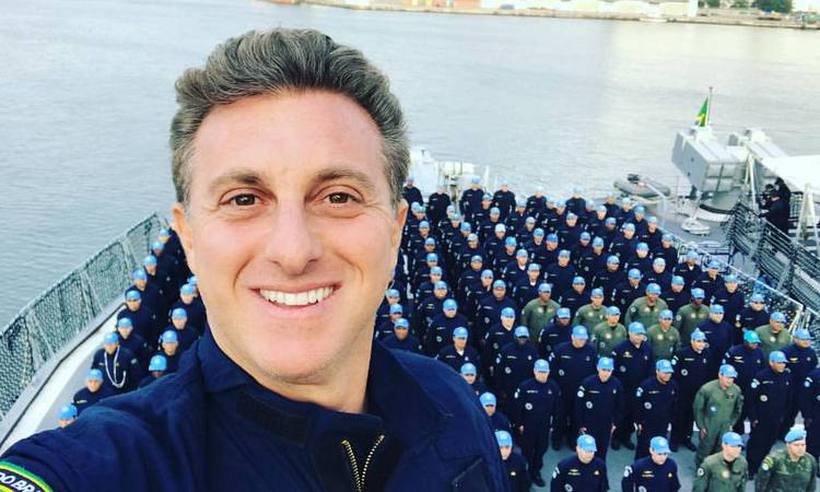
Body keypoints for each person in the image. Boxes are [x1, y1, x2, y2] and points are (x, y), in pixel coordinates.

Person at [1, 29, 508, 490]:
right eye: (244, 199)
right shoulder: (113, 467)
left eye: (339, 197)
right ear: (188, 238)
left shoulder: (453, 403)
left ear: (395, 231)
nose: (292, 252)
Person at [511, 359, 560, 487]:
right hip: (528, 426)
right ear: (534, 371)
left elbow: (557, 408)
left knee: (541, 449)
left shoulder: (553, 387)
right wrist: (519, 424)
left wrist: (554, 425)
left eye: (545, 372)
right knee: (527, 450)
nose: (542, 374)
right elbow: (517, 407)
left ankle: (536, 472)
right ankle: (525, 473)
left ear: (549, 372)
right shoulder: (525, 386)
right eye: (540, 372)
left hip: (544, 426)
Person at [548, 325, 597, 450]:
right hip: (563, 390)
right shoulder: (560, 349)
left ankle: (573, 440)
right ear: (572, 337)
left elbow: (594, 372)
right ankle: (556, 439)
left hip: (582, 392)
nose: (582, 341)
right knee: (560, 416)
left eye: (584, 339)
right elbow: (552, 370)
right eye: (579, 338)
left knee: (577, 417)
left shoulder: (591, 351)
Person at [747, 350, 794, 476]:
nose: (782, 365)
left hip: (776, 417)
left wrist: (785, 416)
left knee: (769, 442)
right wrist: (753, 417)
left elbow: (789, 398)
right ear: (771, 363)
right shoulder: (761, 376)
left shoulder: (787, 376)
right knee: (756, 443)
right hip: (761, 417)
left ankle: (762, 466)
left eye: (783, 363)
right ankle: (751, 468)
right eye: (779, 363)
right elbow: (751, 399)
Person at [612, 322, 655, 450]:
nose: (639, 337)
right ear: (630, 333)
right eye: (637, 334)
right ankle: (616, 438)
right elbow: (614, 369)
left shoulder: (647, 348)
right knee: (621, 413)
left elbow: (651, 367)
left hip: (640, 389)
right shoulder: (620, 348)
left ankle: (626, 437)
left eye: (641, 334)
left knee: (633, 413)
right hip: (623, 388)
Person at [693, 364, 744, 466]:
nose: (730, 380)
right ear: (720, 375)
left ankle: (716, 469)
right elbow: (698, 409)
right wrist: (701, 426)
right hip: (709, 425)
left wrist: (731, 423)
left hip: (725, 425)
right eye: (728, 377)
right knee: (705, 448)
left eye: (732, 378)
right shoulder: (707, 389)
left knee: (721, 449)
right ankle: (701, 468)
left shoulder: (736, 390)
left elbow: (738, 409)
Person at [575, 357, 624, 461]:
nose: (606, 373)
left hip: (606, 424)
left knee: (602, 449)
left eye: (609, 370)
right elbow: (579, 405)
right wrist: (580, 424)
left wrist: (615, 423)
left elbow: (620, 406)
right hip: (589, 424)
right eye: (603, 369)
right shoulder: (587, 382)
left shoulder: (617, 384)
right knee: (587, 451)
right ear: (598, 368)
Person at [670, 329, 711, 452]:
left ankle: (687, 438)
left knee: (691, 416)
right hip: (682, 392)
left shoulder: (707, 354)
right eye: (698, 341)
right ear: (692, 341)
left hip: (698, 393)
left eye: (703, 341)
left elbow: (708, 372)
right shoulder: (682, 353)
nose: (701, 344)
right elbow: (674, 373)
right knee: (679, 416)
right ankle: (674, 440)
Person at [633, 359, 678, 459]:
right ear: (657, 371)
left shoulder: (673, 386)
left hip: (663, 422)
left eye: (669, 372)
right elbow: (637, 405)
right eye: (665, 372)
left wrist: (671, 420)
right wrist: (638, 421)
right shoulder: (646, 385)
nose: (668, 375)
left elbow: (674, 404)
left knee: (659, 447)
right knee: (643, 447)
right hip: (647, 423)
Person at [723, 329, 766, 435]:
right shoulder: (734, 351)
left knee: (749, 410)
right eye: (752, 342)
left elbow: (763, 369)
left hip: (752, 389)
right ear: (745, 341)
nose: (755, 345)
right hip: (736, 387)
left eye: (756, 343)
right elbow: (725, 367)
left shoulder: (760, 353)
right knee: (735, 410)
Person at [780, 328, 817, 435]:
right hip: (789, 388)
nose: (806, 342)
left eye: (808, 340)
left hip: (805, 389)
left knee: (806, 412)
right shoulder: (787, 352)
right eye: (803, 339)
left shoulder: (811, 353)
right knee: (786, 411)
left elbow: (814, 369)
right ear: (795, 339)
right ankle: (780, 432)